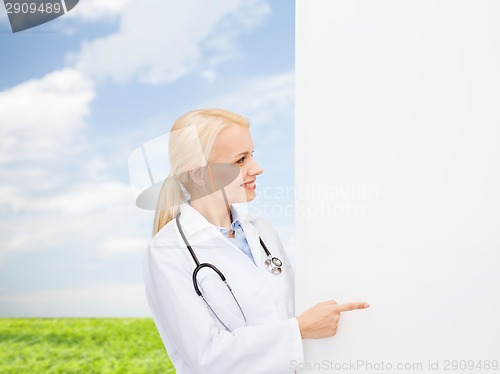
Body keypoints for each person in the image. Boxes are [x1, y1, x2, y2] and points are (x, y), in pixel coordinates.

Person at [143, 108, 370, 374]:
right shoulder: (166, 252)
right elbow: (207, 356)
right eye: (241, 160)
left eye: (252, 155)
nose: (257, 168)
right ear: (199, 174)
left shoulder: (262, 231)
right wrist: (299, 329)